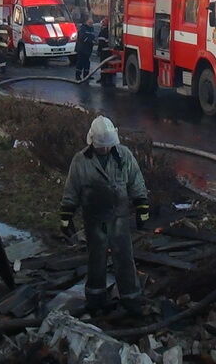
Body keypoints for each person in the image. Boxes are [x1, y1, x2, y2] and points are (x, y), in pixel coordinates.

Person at [59, 116, 149, 315]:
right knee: (96, 258)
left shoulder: (124, 156)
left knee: (124, 257)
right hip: (94, 218)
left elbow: (136, 181)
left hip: (119, 217)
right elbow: (71, 189)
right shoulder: (81, 161)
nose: (105, 150)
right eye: (102, 147)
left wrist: (142, 205)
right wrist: (66, 215)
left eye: (108, 146)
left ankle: (131, 299)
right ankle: (95, 299)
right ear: (92, 142)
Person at [75, 16, 96, 82]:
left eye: (92, 22)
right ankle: (78, 76)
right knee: (80, 62)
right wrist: (90, 41)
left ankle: (86, 76)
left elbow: (92, 36)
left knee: (87, 62)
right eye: (90, 21)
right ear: (86, 21)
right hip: (82, 48)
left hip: (88, 49)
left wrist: (94, 40)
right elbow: (82, 37)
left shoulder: (91, 28)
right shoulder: (83, 28)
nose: (91, 23)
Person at [96, 18, 114, 87]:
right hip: (110, 51)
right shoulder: (110, 31)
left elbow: (101, 43)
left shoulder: (103, 32)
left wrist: (98, 50)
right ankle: (109, 78)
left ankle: (103, 79)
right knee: (109, 65)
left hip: (104, 52)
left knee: (103, 65)